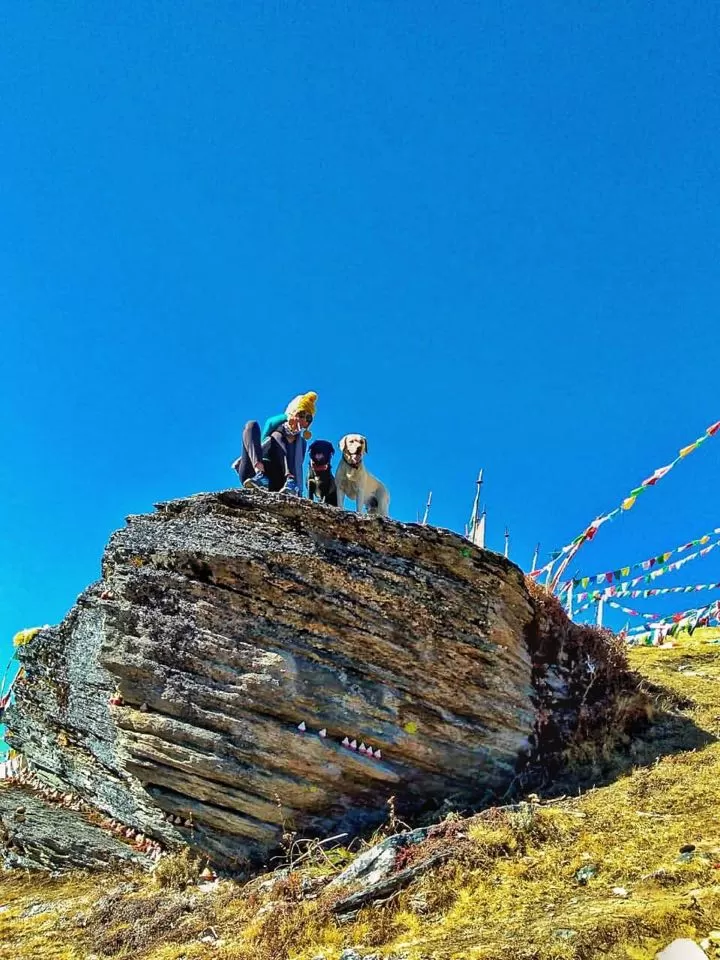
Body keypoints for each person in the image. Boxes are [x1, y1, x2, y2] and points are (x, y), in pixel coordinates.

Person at [232, 392, 317, 495]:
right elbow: (270, 423)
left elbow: (296, 467)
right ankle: (260, 475)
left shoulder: (301, 443)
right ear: (292, 414)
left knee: (279, 437)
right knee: (251, 425)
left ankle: (290, 482)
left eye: (308, 418)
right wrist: (286, 418)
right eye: (301, 414)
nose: (303, 420)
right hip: (254, 473)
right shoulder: (274, 429)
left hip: (278, 480)